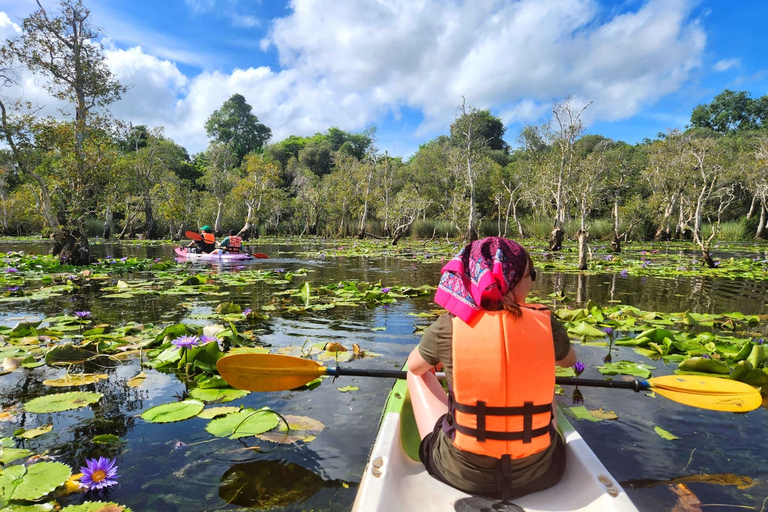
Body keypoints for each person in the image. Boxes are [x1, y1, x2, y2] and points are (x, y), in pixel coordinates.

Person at [406, 236, 577, 501]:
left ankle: (449, 431)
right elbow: (568, 362)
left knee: (412, 373)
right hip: (540, 473)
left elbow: (416, 367)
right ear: (512, 279)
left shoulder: (448, 326)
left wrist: (444, 357)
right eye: (531, 275)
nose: (532, 281)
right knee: (546, 383)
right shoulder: (546, 324)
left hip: (460, 473)